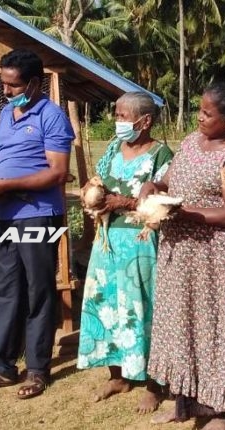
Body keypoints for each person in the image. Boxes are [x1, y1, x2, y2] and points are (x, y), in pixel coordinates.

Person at [141, 82, 225, 430]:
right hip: (178, 252)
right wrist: (153, 187)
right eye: (199, 111)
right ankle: (184, 400)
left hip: (212, 256)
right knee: (181, 325)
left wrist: (182, 212)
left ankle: (222, 409)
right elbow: (168, 181)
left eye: (207, 113)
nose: (199, 118)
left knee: (213, 328)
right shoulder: (191, 142)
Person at [0, 49, 73, 399]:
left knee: (38, 290)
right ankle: (1, 367)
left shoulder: (52, 116)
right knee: (8, 289)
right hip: (7, 215)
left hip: (38, 213)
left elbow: (57, 173)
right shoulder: (6, 113)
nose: (6, 91)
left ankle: (38, 369)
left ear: (35, 83)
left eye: (13, 85)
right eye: (3, 83)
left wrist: (3, 185)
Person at [76, 92, 173, 413]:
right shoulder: (113, 148)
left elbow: (163, 202)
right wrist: (90, 194)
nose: (117, 121)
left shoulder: (161, 155)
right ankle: (117, 375)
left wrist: (125, 202)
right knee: (106, 304)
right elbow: (99, 180)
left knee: (144, 307)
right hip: (107, 241)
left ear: (145, 121)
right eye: (116, 115)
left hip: (141, 241)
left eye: (122, 116)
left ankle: (154, 384)